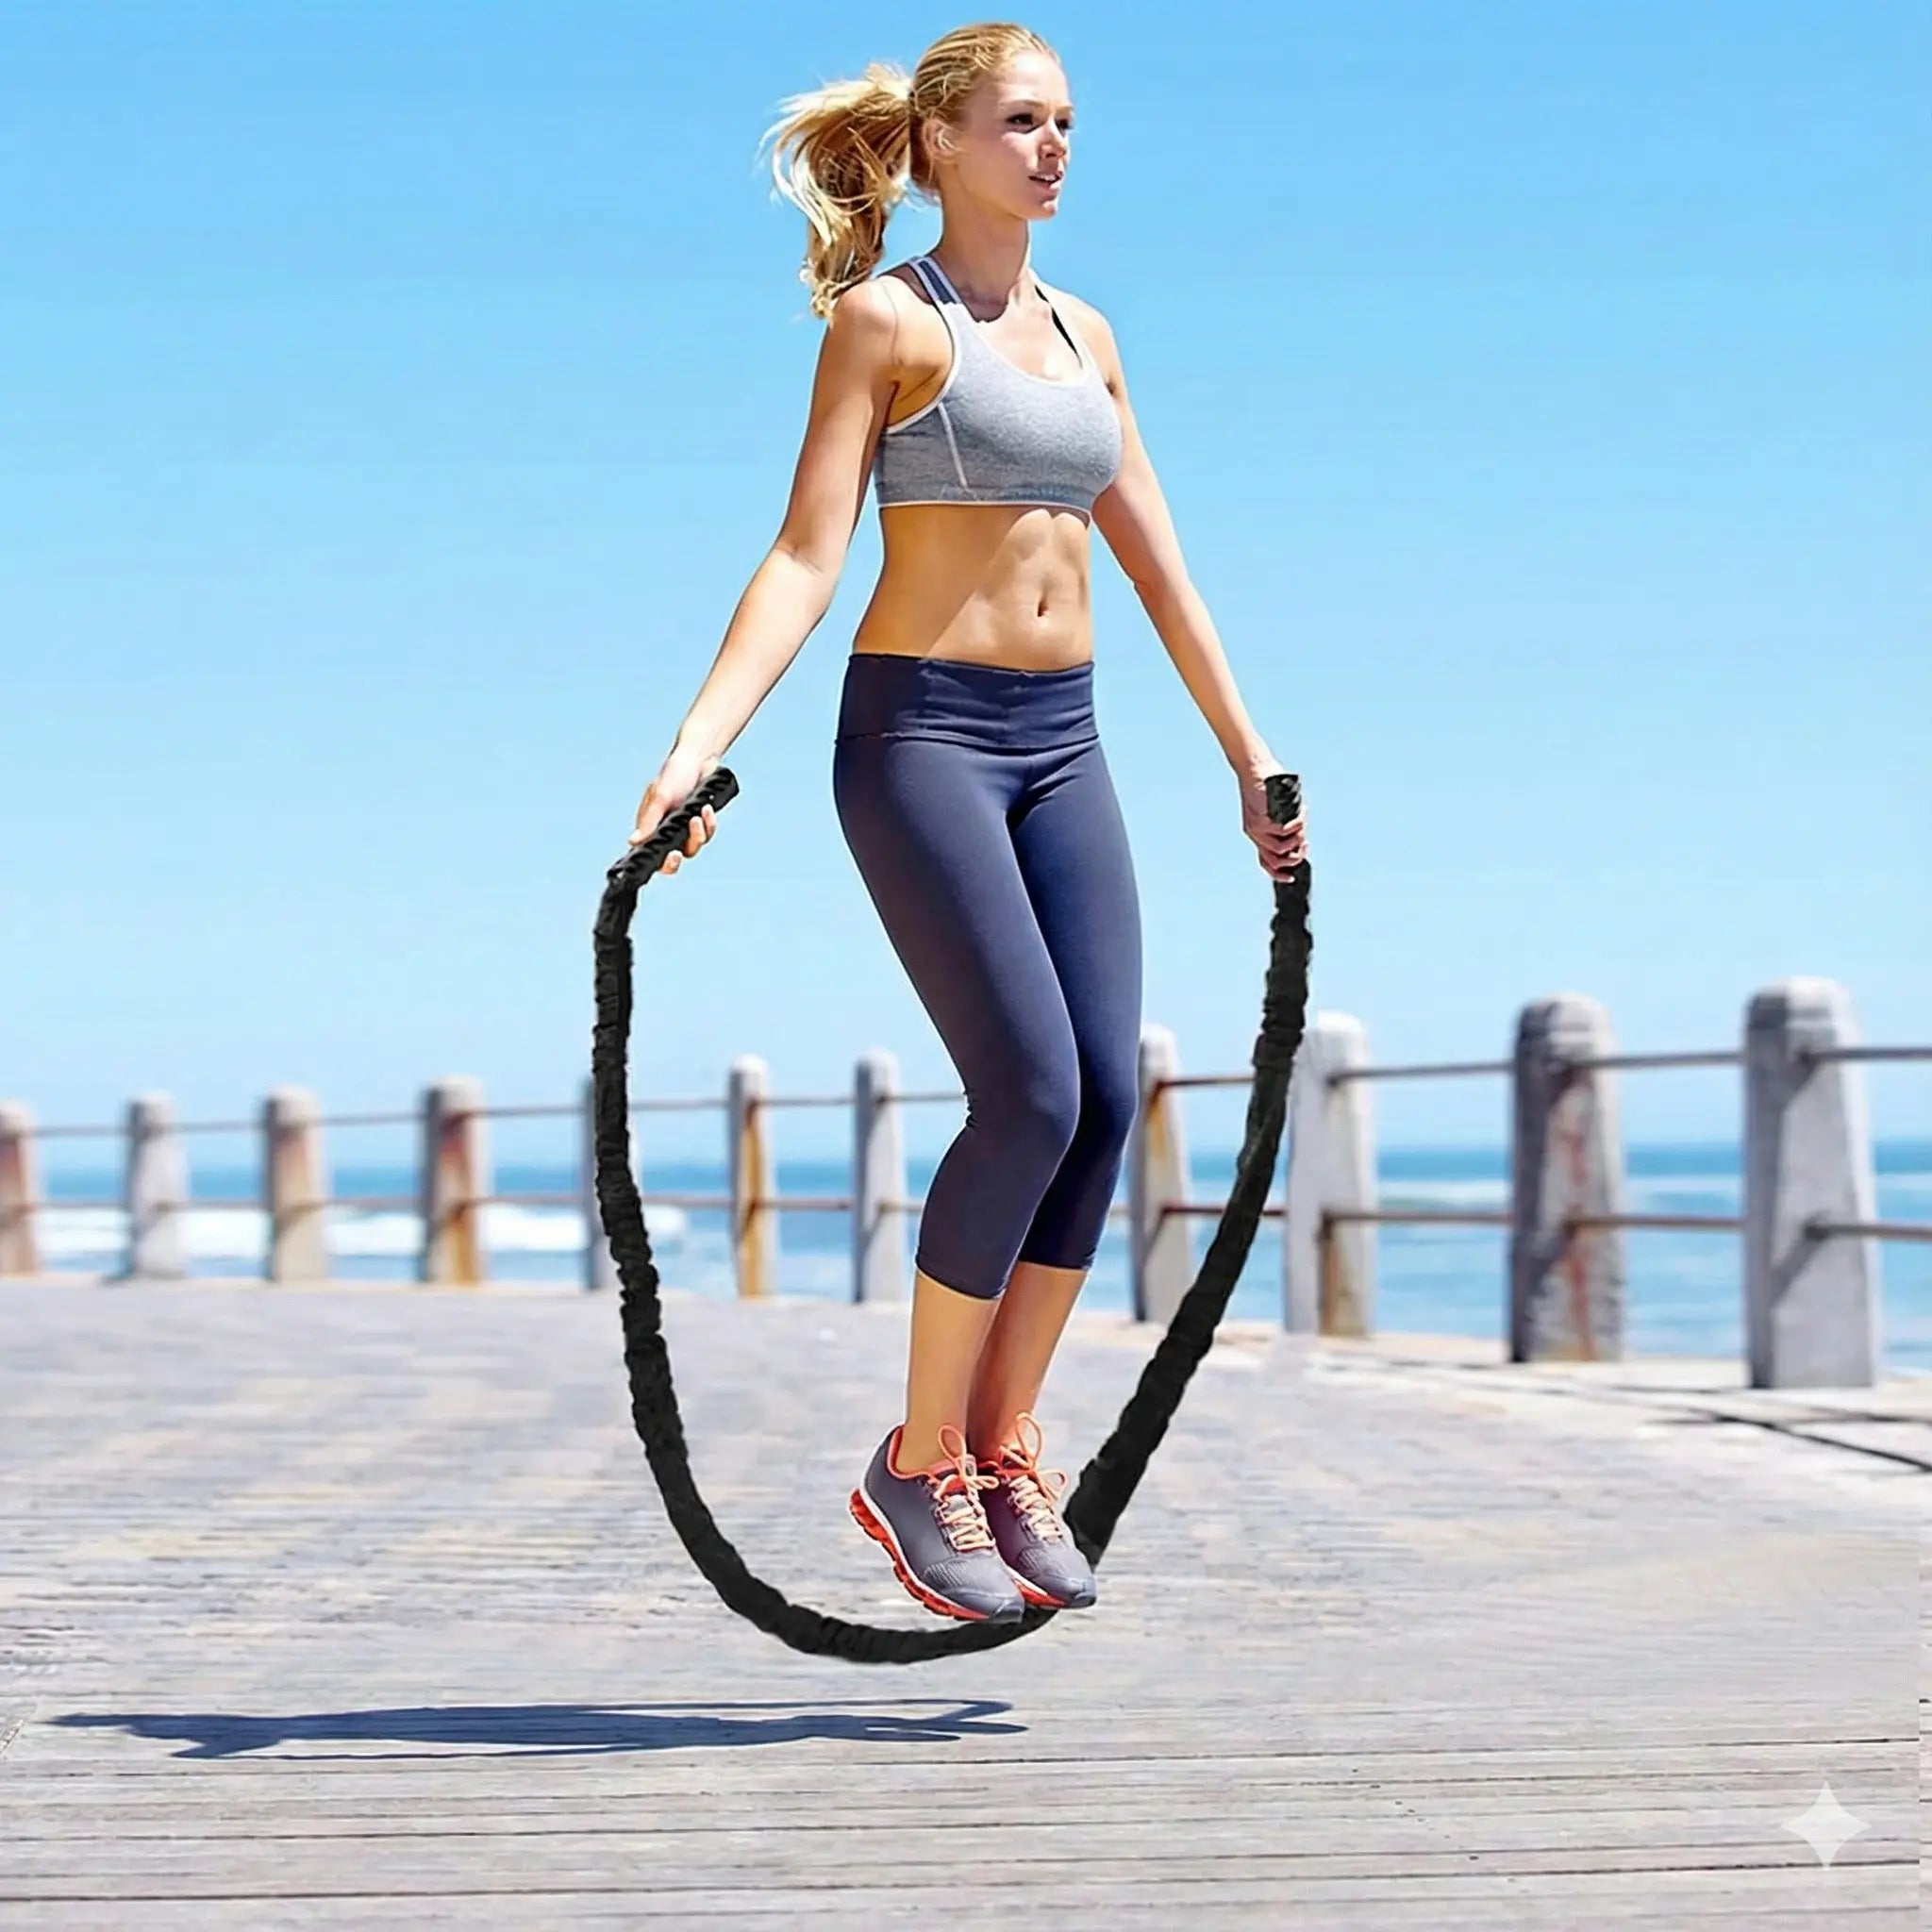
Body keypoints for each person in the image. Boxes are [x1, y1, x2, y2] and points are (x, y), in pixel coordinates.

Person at [626, 21, 1307, 1624]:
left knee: (1104, 1108)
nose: (1054, 146)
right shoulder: (888, 323)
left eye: (1068, 122)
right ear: (939, 144)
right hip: (920, 735)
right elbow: (803, 557)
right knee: (1026, 1089)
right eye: (1021, 121)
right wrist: (687, 756)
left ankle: (1003, 1448)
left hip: (1065, 744)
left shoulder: (1089, 336)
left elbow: (1157, 567)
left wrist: (1247, 757)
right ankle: (916, 1455)